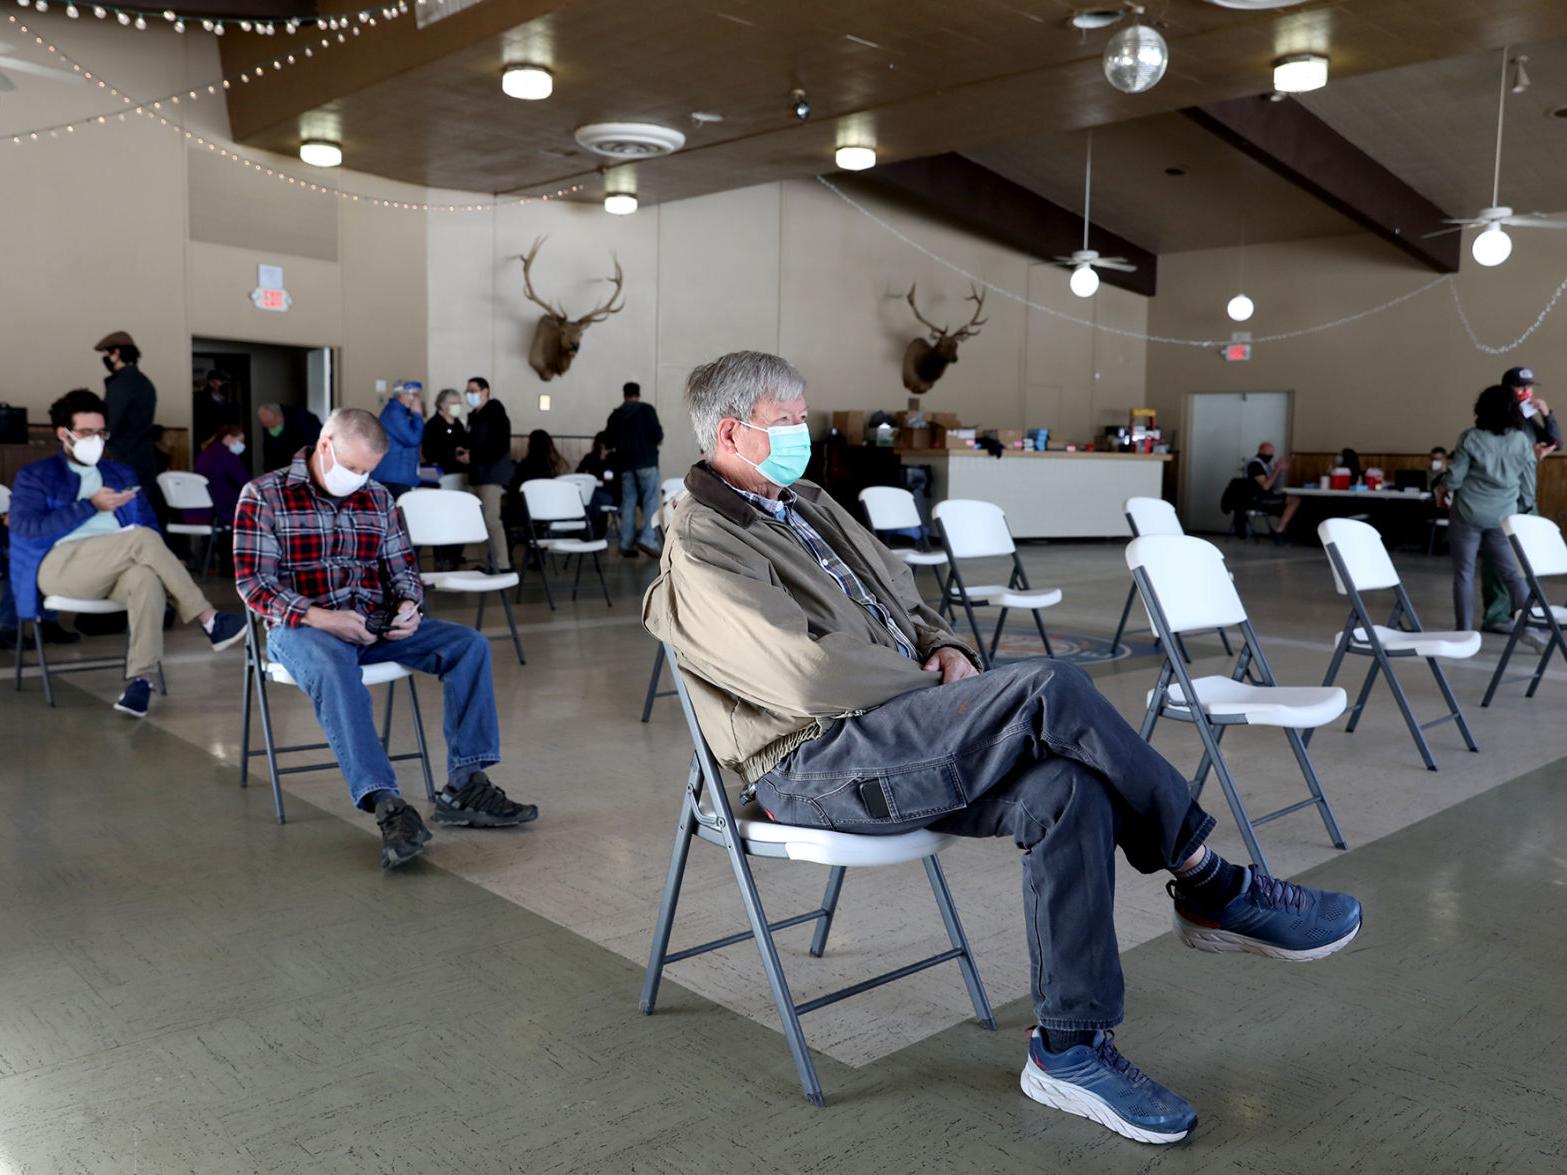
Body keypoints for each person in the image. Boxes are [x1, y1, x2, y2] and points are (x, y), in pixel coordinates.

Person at [643, 351, 1362, 1146]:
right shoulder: (702, 540)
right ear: (734, 431)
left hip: (896, 727)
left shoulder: (807, 501)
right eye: (787, 421)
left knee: (1066, 790)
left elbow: (901, 596)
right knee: (1050, 685)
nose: (802, 434)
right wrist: (935, 689)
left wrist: (947, 646)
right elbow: (805, 674)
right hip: (814, 762)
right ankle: (1207, 878)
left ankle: (1068, 1048)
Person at [233, 407, 539, 869]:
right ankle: (386, 803)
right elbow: (254, 583)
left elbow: (403, 572)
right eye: (353, 468)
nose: (359, 479)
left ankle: (465, 784)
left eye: (368, 471)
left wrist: (408, 607)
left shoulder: (377, 498)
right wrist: (321, 617)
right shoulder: (264, 495)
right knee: (337, 668)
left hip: (372, 623)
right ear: (325, 446)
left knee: (468, 645)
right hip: (302, 628)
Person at [8, 389, 246, 717]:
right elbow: (25, 529)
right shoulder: (37, 476)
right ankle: (208, 618)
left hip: (117, 563)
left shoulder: (120, 473)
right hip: (59, 566)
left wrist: (165, 559)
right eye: (86, 433)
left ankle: (140, 680)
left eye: (101, 432)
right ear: (63, 434)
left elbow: (146, 520)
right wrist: (89, 506)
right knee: (141, 540)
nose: (96, 440)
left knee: (146, 578)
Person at [1446, 384, 1535, 633]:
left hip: (1467, 513)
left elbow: (1455, 479)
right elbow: (1528, 487)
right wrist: (1518, 509)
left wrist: (1444, 484)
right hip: (1502, 516)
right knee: (1513, 574)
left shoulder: (1470, 437)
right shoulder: (1522, 440)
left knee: (1464, 573)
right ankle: (1532, 625)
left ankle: (1463, 631)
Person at [95, 331, 160, 493]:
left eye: (107, 353)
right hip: (144, 458)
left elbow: (110, 424)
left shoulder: (120, 384)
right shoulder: (145, 383)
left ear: (116, 353)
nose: (105, 358)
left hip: (122, 458)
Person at [606, 381, 663, 558]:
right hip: (646, 461)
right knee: (651, 500)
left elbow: (608, 442)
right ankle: (647, 539)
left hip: (625, 465)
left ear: (624, 394)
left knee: (628, 502)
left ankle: (626, 543)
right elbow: (658, 436)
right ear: (638, 394)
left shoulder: (616, 415)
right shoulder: (647, 410)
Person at [464, 377, 515, 572]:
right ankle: (489, 559)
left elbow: (498, 447)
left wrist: (473, 455)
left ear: (485, 391)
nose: (469, 394)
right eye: (467, 390)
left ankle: (502, 562)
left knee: (492, 519)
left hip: (491, 474)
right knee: (482, 521)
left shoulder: (496, 415)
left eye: (473, 390)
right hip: (478, 473)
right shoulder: (475, 416)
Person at [188, 424, 252, 571]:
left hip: (200, 509)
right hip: (222, 509)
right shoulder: (228, 456)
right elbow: (245, 482)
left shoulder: (205, 453)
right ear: (229, 438)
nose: (242, 446)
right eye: (240, 441)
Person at [372, 381, 427, 500]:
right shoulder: (394, 413)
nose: (418, 400)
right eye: (415, 395)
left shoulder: (402, 413)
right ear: (404, 395)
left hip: (400, 476)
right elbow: (413, 439)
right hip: (393, 478)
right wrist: (417, 414)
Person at [1244, 442, 1299, 537]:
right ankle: (1279, 531)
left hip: (1266, 496)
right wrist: (1277, 469)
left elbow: (1277, 486)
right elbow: (1266, 486)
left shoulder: (1266, 465)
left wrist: (1281, 471)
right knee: (1295, 500)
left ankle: (1284, 530)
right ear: (1260, 451)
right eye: (1267, 454)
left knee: (1293, 500)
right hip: (1258, 499)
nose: (1269, 456)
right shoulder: (1255, 465)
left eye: (1271, 454)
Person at [1502, 366, 1561, 453]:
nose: (1526, 391)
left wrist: (1547, 414)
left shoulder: (1524, 416)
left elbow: (1556, 444)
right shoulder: (1499, 416)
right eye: (1520, 386)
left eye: (1529, 386)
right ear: (1507, 389)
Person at [258, 402, 324, 472]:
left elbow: (313, 446)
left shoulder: (304, 419)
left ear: (279, 417)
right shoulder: (268, 426)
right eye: (265, 424)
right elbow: (269, 455)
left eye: (270, 424)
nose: (268, 427)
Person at [575, 431, 617, 539]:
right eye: (601, 446)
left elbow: (617, 480)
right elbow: (578, 473)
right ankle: (593, 531)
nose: (603, 449)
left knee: (591, 498)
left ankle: (587, 529)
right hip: (594, 492)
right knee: (591, 499)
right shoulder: (590, 457)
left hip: (609, 494)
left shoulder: (614, 459)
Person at [423, 388, 469, 475]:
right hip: (442, 472)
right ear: (442, 405)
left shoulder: (458, 424)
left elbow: (465, 442)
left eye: (459, 403)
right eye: (454, 403)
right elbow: (429, 452)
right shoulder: (433, 424)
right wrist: (453, 452)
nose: (458, 406)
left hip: (461, 471)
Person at [193, 369, 239, 446]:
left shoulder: (229, 401)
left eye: (226, 381)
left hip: (226, 443)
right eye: (221, 381)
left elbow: (233, 422)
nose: (225, 384)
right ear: (212, 383)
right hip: (206, 442)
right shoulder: (200, 399)